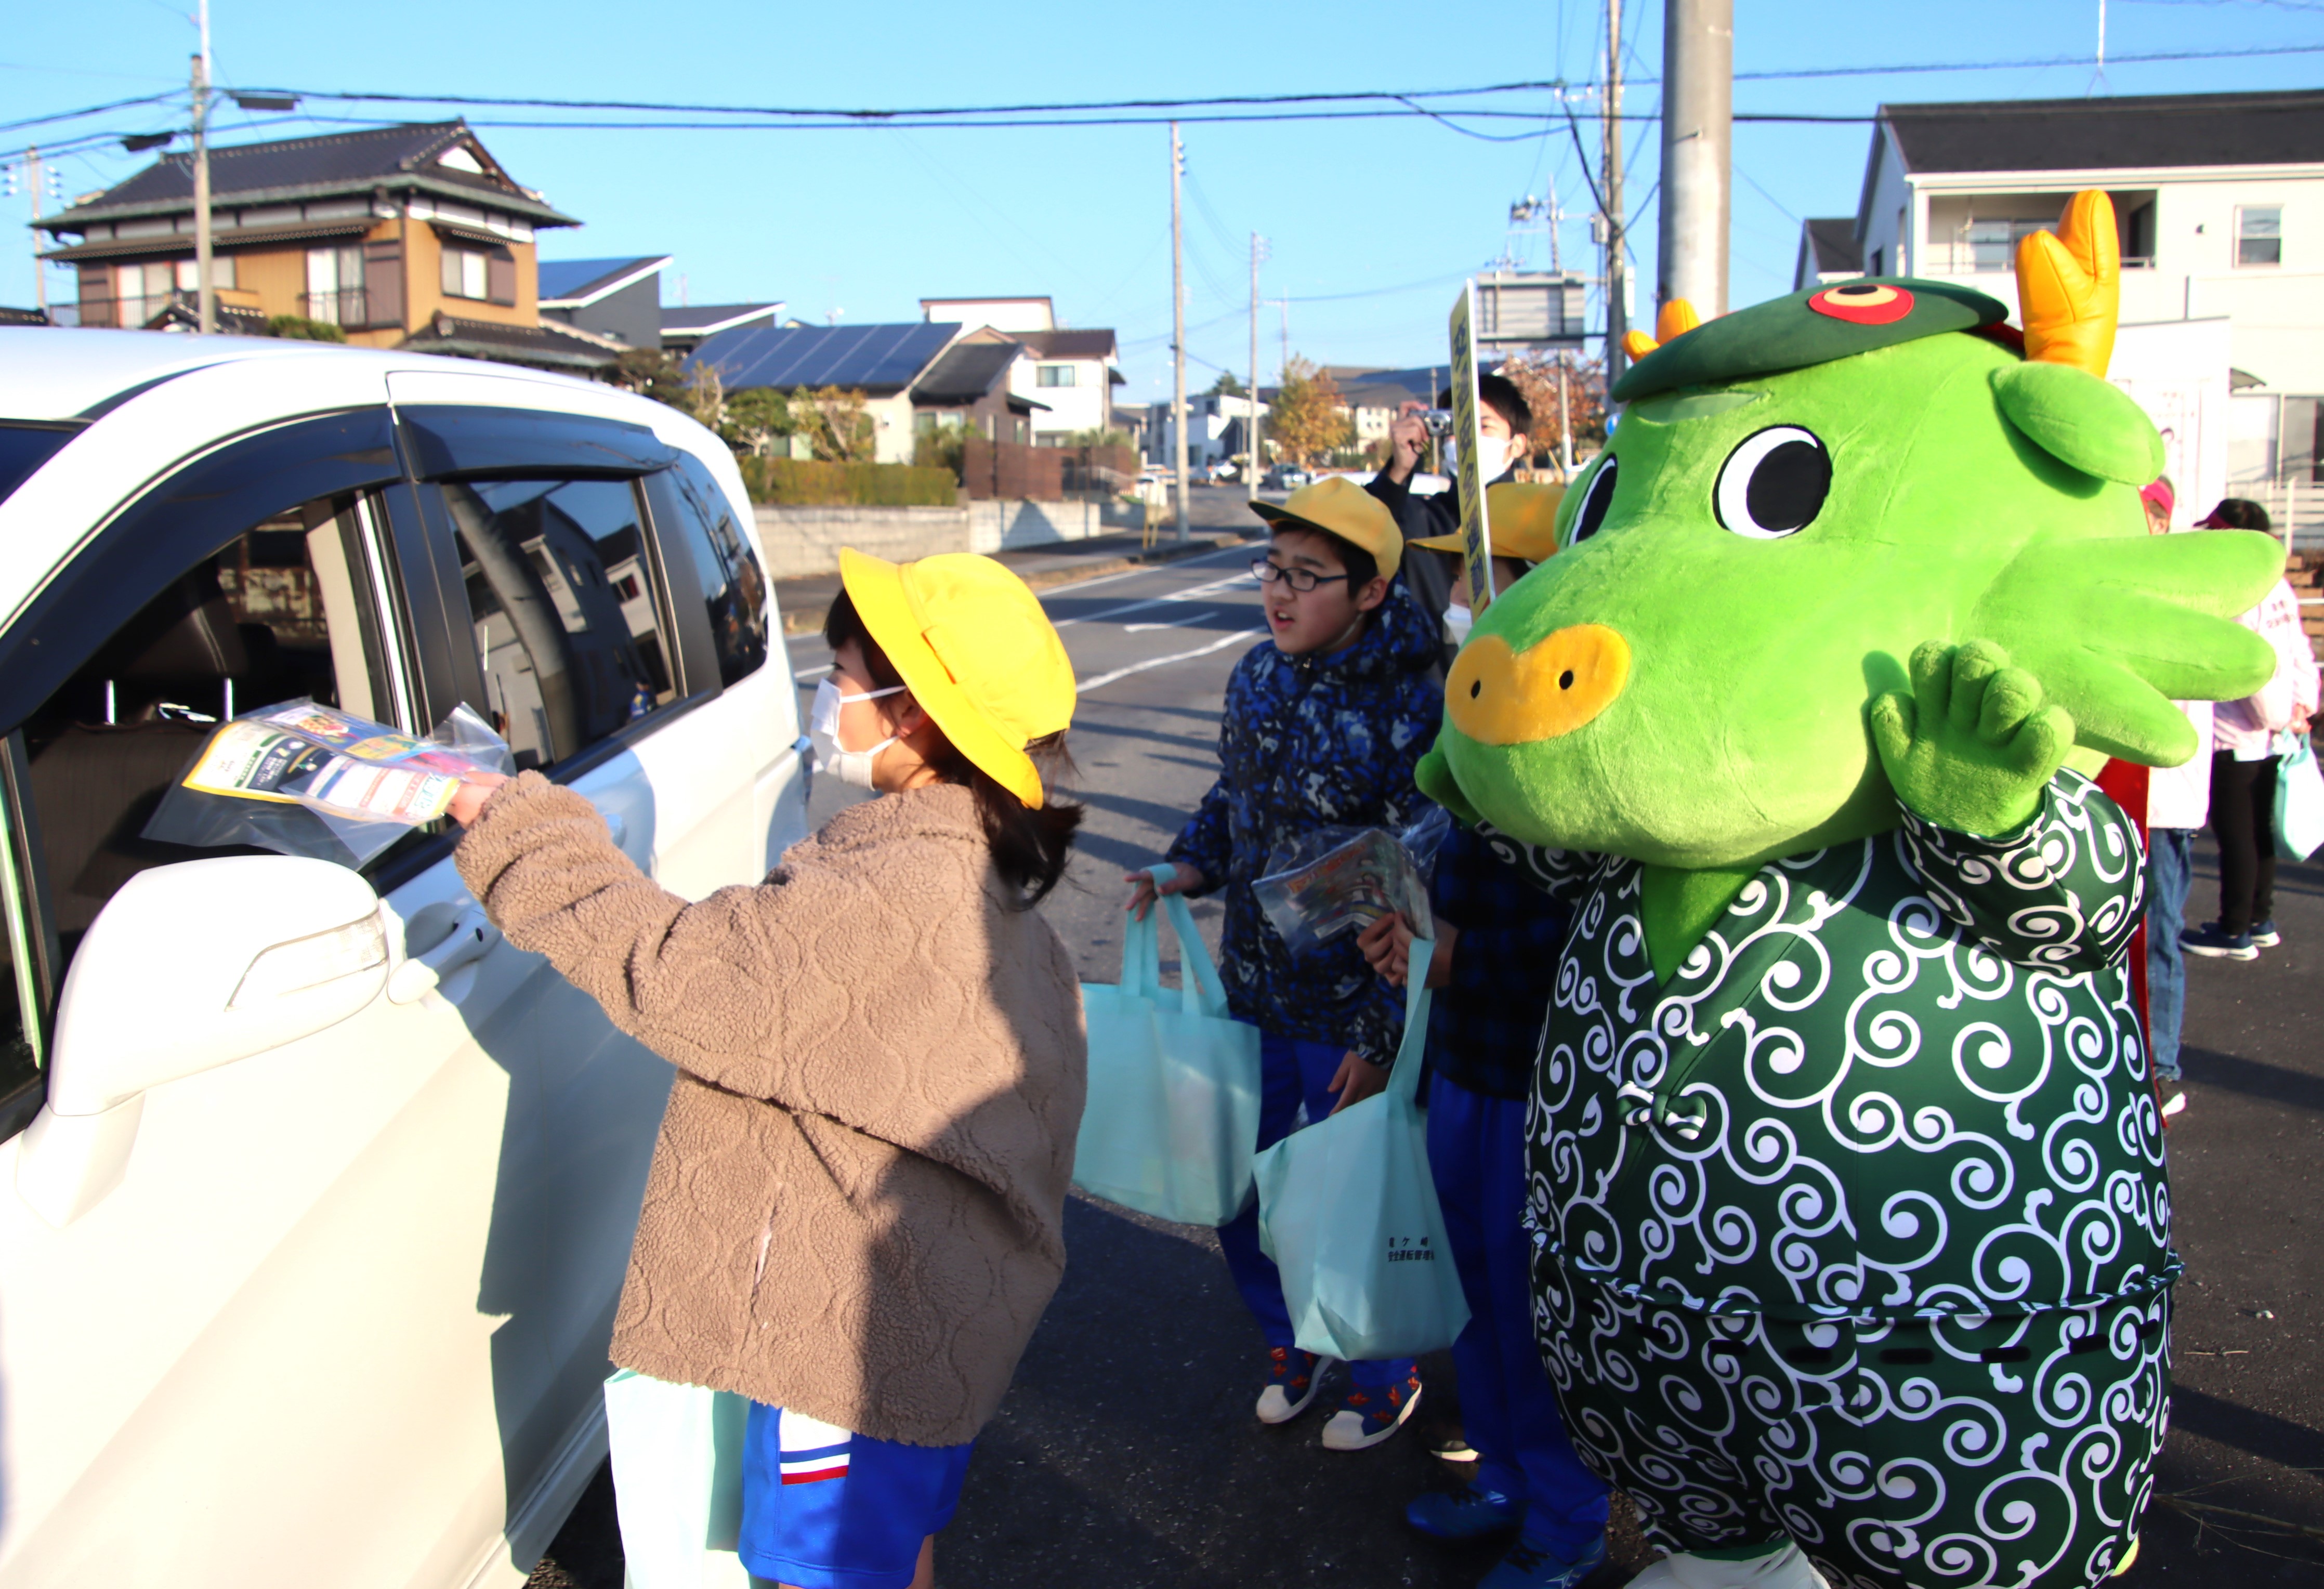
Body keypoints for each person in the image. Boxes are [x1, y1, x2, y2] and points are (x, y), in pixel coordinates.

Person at [446, 549, 1088, 1589]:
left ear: (913, 711)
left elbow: (677, 974)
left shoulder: (893, 883)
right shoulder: (976, 859)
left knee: (826, 1573)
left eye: (841, 678)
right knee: (888, 1553)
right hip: (927, 1308)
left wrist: (526, 833)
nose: (825, 695)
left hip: (846, 1337)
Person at [1126, 476, 1442, 1450]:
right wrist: (1187, 862)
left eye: (1309, 576)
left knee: (1347, 1192)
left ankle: (1384, 1371)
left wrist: (1386, 1039)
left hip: (1354, 1004)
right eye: (1273, 569)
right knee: (1234, 1179)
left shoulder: (1417, 704)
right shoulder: (1257, 674)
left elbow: (1420, 884)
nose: (1280, 592)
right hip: (1254, 985)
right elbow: (1237, 794)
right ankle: (1292, 1340)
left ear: (1372, 590)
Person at [1353, 493, 1614, 1589]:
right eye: (1464, 572)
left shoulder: (1584, 751)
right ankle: (1502, 1476)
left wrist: (1462, 956)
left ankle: (1566, 1517)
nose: (1462, 597)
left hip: (1536, 1088)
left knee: (1536, 1308)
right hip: (1459, 1069)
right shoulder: (1473, 724)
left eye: (1488, 569)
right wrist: (1409, 939)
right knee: (1474, 1292)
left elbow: (1593, 942)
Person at [2182, 498, 2320, 960]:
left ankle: (2234, 926)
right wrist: (2304, 707)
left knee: (2237, 832)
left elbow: (2249, 672)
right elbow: (2299, 649)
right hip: (2277, 729)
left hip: (2241, 733)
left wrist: (2282, 716)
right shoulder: (2277, 585)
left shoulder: (2238, 593)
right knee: (2260, 829)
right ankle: (2259, 917)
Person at [2136, 479, 2207, 1117]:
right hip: (2124, 797)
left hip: (2162, 801)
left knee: (2157, 931)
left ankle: (2159, 1067)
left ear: (2159, 521)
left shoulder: (2184, 595)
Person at [1368, 374, 1537, 630]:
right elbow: (1365, 533)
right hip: (1437, 669)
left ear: (1517, 444)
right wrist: (1399, 469)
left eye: (1483, 427)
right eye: (1455, 428)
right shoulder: (1421, 522)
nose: (1467, 438)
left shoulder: (1541, 522)